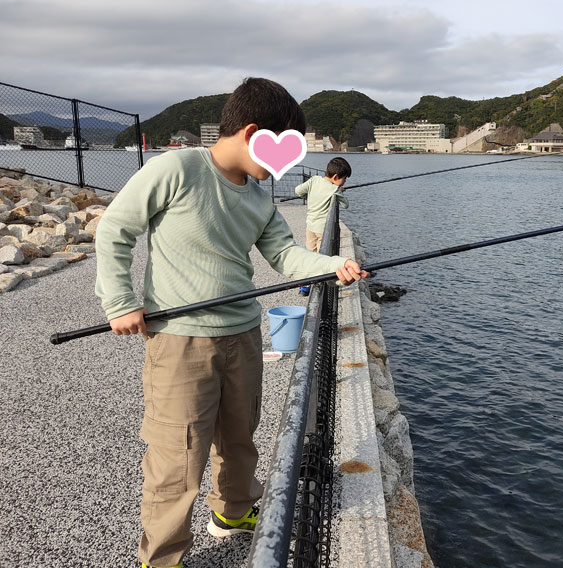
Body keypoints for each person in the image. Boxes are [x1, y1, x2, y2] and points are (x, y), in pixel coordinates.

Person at [94, 77, 368, 568]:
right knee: (177, 457)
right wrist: (119, 301)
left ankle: (233, 513)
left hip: (242, 333)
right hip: (180, 341)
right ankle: (162, 557)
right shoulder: (177, 168)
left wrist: (332, 266)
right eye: (282, 148)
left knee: (240, 437)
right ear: (251, 132)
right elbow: (116, 228)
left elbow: (285, 255)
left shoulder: (260, 196)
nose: (282, 164)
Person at [294, 156, 351, 295]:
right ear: (336, 177)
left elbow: (298, 191)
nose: (344, 181)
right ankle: (319, 288)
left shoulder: (314, 180)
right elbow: (346, 205)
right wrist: (339, 191)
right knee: (321, 259)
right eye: (344, 179)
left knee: (310, 256)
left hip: (310, 226)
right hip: (322, 230)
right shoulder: (334, 190)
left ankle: (305, 286)